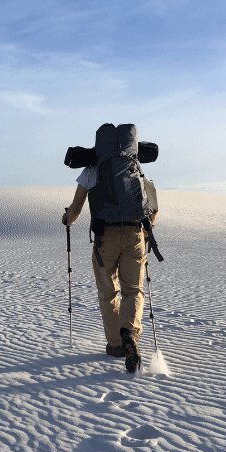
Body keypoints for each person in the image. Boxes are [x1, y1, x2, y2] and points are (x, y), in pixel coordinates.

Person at [61, 123, 148, 373]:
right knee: (133, 290)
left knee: (108, 292)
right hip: (135, 234)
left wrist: (67, 218)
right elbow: (151, 206)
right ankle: (130, 332)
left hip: (104, 238)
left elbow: (75, 210)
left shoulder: (91, 170)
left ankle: (116, 344)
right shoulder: (136, 166)